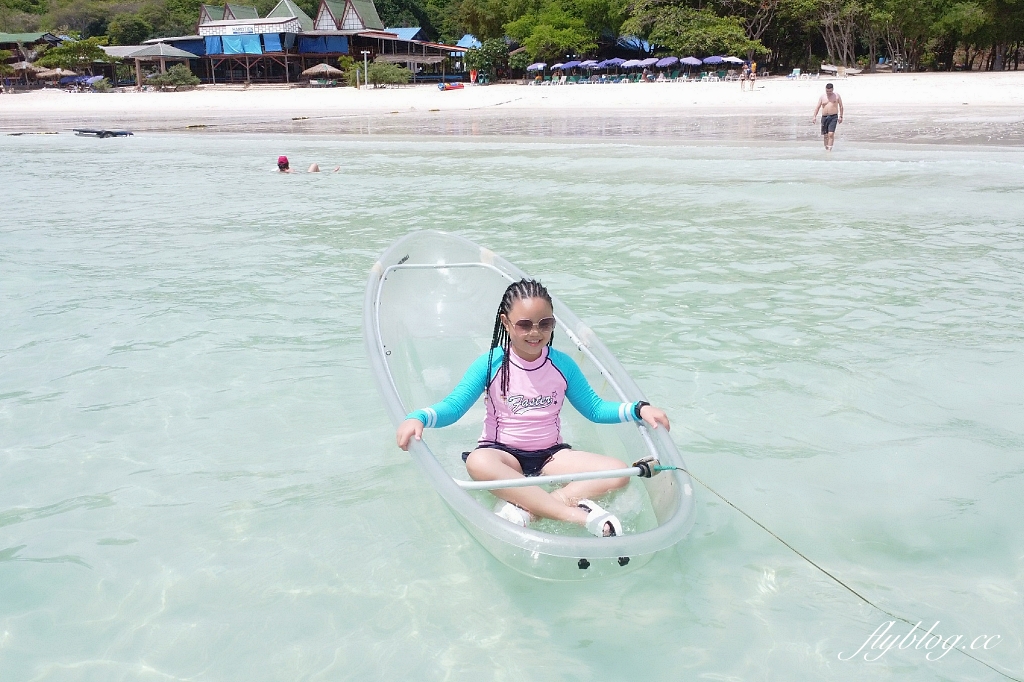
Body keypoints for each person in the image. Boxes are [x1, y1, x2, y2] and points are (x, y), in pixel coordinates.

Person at [396, 278, 671, 537]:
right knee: (478, 462)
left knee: (616, 472)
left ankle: (532, 510)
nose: (535, 332)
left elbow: (595, 409)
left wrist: (639, 409)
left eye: (545, 323)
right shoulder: (491, 364)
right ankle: (575, 515)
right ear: (505, 323)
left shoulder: (561, 364)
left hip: (551, 457)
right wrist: (419, 417)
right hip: (503, 455)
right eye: (524, 324)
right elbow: (454, 407)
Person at [812, 83, 844, 151]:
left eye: (830, 91)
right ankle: (826, 149)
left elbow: (841, 106)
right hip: (824, 117)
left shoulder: (837, 96)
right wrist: (814, 116)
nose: (829, 93)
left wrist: (841, 116)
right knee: (825, 135)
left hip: (833, 117)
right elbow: (817, 107)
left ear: (833, 89)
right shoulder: (822, 97)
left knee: (831, 134)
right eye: (827, 91)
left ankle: (829, 150)